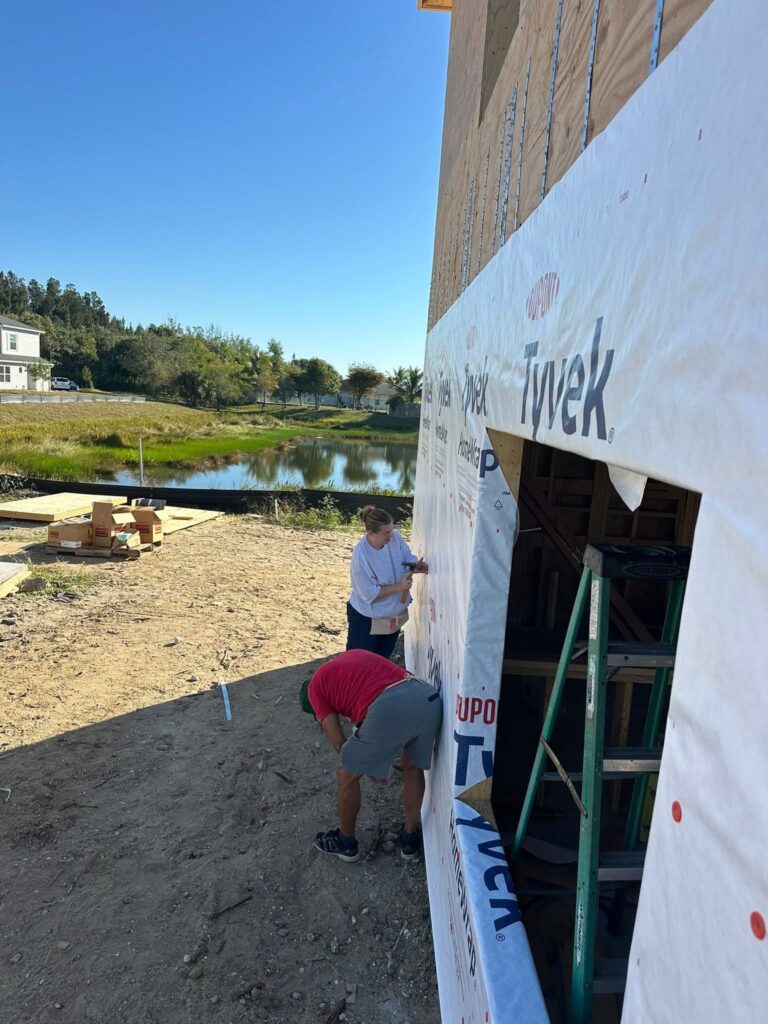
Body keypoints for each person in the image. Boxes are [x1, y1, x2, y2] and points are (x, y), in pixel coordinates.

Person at [305, 648, 442, 863]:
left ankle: (346, 844)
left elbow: (340, 745)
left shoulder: (315, 689)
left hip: (390, 705)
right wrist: (371, 758)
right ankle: (409, 839)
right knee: (412, 767)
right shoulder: (350, 658)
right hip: (425, 695)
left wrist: (365, 765)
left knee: (345, 773)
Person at [347, 505, 427, 659]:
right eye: (386, 533)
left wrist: (415, 566)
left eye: (391, 530)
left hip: (394, 614)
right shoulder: (361, 555)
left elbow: (406, 559)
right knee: (358, 662)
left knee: (381, 662)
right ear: (371, 533)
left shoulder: (394, 537)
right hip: (368, 618)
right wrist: (398, 586)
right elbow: (368, 593)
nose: (391, 535)